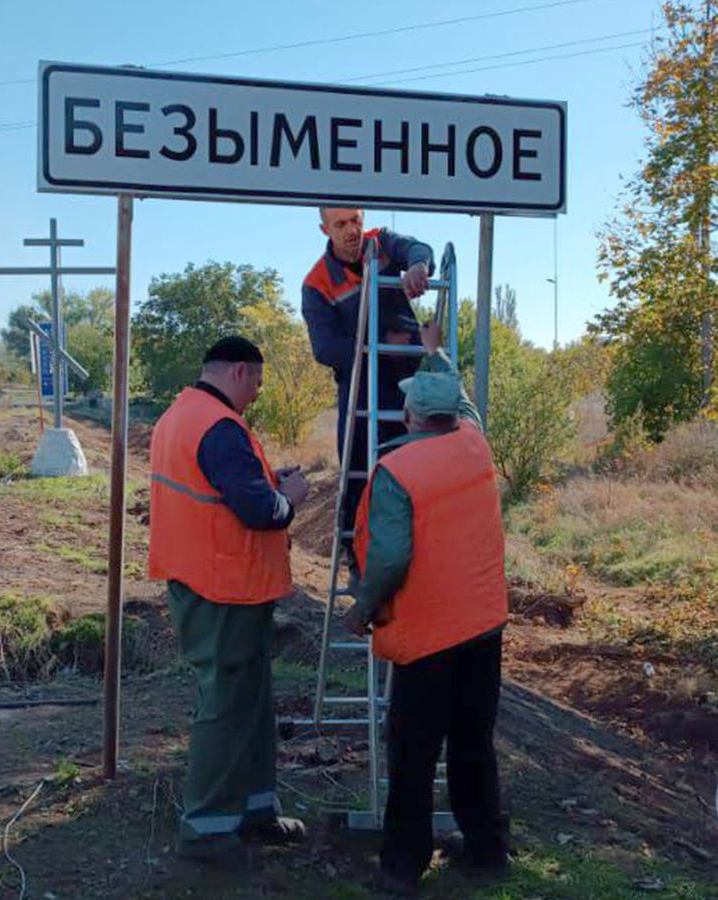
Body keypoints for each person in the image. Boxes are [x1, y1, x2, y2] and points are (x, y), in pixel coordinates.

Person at [343, 322, 510, 894]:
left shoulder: (397, 472)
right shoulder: (474, 441)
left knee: (413, 755)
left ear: (410, 416)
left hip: (431, 634)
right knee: (473, 744)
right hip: (484, 626)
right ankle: (488, 852)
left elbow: (389, 559)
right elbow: (462, 398)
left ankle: (401, 866)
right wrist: (435, 351)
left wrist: (361, 609)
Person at [147, 336, 311, 865]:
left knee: (250, 701)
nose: (258, 395)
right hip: (222, 587)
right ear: (239, 371)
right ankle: (208, 830)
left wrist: (268, 484)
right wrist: (292, 498)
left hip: (213, 581)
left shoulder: (183, 414)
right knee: (225, 706)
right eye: (258, 384)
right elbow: (260, 511)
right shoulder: (218, 427)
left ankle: (255, 811)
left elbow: (226, 490)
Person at [301, 208, 434, 581]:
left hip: (409, 384)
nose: (351, 231)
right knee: (360, 476)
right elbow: (325, 348)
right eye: (340, 224)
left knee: (417, 474)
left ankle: (420, 563)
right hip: (359, 391)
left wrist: (418, 266)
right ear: (324, 229)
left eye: (355, 221)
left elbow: (419, 247)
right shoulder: (317, 283)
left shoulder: (382, 243)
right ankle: (360, 566)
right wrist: (376, 347)